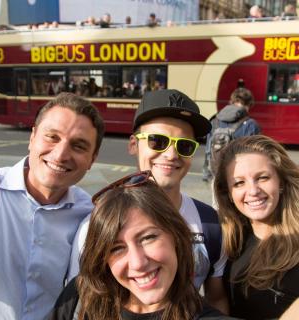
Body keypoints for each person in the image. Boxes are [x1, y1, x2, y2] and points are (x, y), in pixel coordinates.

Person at [69, 89, 229, 314]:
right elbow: (85, 300)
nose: (172, 154)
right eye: (158, 141)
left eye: (184, 145)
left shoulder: (211, 223)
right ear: (133, 144)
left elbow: (217, 298)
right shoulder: (96, 225)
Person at [0, 92, 105, 320]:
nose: (60, 154)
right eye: (52, 137)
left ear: (92, 159)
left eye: (78, 146)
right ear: (32, 138)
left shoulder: (90, 216)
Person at [49, 173, 238, 320]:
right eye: (116, 248)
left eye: (148, 238)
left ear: (177, 237)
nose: (138, 263)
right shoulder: (80, 297)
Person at [214, 135, 299, 319]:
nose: (253, 191)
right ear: (228, 193)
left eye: (262, 178)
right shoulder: (226, 239)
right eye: (239, 183)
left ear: (281, 183)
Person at [203, 87, 260, 182]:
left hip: (216, 174)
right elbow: (256, 154)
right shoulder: (251, 124)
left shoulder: (214, 121)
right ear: (248, 104)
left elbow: (208, 150)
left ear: (232, 101)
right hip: (240, 178)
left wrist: (207, 174)